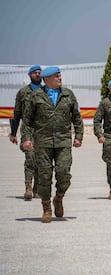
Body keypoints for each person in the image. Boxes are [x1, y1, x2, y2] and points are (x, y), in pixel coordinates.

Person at [22, 66, 84, 223]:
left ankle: (59, 197)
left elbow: (77, 117)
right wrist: (26, 139)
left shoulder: (68, 94)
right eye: (57, 76)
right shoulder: (36, 96)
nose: (60, 78)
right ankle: (46, 208)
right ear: (47, 79)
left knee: (64, 174)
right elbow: (27, 121)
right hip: (42, 142)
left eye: (60, 76)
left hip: (63, 141)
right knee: (44, 176)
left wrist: (78, 136)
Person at [9, 65, 42, 200]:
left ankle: (37, 189)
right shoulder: (22, 93)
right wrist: (13, 133)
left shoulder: (46, 91)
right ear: (30, 75)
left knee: (41, 160)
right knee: (30, 158)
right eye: (35, 73)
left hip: (42, 131)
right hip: (28, 131)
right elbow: (16, 114)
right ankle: (28, 187)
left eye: (39, 73)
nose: (38, 75)